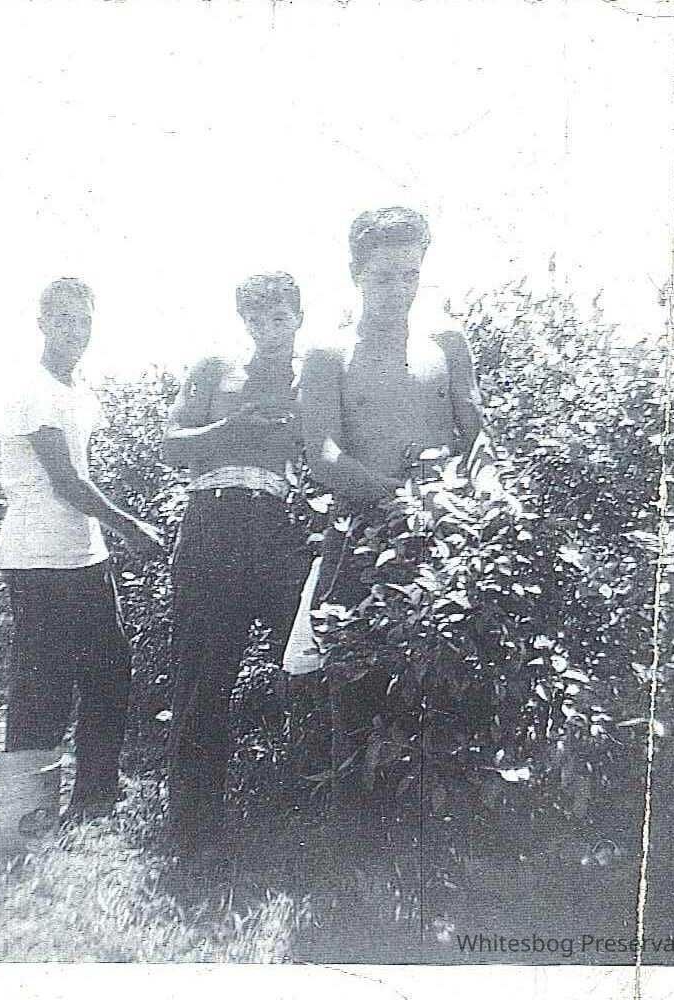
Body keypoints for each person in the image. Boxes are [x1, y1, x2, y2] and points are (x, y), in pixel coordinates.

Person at [297, 207, 483, 826]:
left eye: (411, 275)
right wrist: (395, 496)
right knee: (350, 676)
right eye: (384, 277)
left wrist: (452, 488)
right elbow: (322, 453)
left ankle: (426, 826)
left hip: (441, 530)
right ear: (356, 275)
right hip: (360, 531)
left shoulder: (447, 344)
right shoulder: (328, 351)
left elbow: (476, 433)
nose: (400, 289)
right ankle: (350, 829)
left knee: (438, 673)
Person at [0, 277, 162, 824]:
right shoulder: (30, 389)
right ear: (41, 322)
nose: (76, 331)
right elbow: (64, 481)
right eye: (64, 320)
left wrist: (109, 533)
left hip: (84, 555)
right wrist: (130, 526)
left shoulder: (79, 393)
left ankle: (95, 796)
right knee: (42, 686)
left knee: (111, 670)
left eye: (84, 321)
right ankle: (22, 812)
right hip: (37, 557)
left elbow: (79, 481)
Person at [162, 272, 309, 860]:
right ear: (243, 323)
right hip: (213, 523)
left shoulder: (316, 374)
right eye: (258, 319)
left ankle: (301, 817)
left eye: (281, 317)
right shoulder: (216, 370)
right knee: (203, 677)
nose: (270, 331)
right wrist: (231, 429)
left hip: (282, 526)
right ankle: (195, 832)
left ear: (298, 315)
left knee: (303, 667)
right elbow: (172, 445)